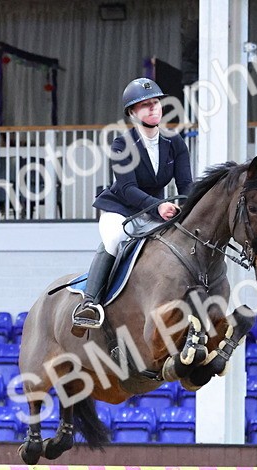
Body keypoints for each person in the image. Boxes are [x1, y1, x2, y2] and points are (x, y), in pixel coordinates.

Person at [72, 77, 195, 330]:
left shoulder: (175, 143)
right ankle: (90, 302)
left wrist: (186, 206)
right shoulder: (121, 144)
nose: (153, 108)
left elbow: (186, 185)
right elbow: (127, 188)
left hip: (156, 211)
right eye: (145, 105)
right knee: (115, 238)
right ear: (132, 112)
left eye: (156, 103)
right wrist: (158, 206)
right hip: (121, 208)